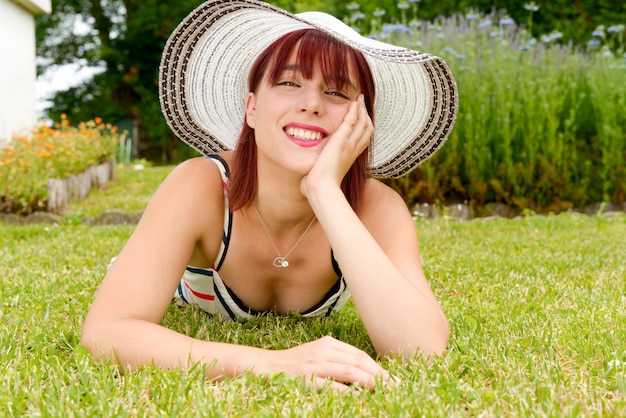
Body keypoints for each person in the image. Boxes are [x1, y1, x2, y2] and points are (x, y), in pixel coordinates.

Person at [81, 0, 458, 391]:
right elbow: (106, 334)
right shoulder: (200, 185)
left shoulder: (376, 206)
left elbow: (423, 350)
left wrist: (325, 190)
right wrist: (273, 363)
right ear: (251, 107)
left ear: (362, 121)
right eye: (289, 83)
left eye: (337, 92)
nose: (311, 104)